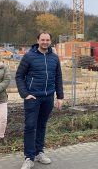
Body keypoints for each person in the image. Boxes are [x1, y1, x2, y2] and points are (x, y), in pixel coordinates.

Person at [15, 32, 64, 169]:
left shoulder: (54, 58)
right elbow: (19, 76)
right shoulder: (29, 56)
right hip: (33, 97)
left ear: (50, 41)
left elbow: (58, 78)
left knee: (42, 125)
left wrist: (60, 97)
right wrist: (25, 94)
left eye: (47, 40)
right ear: (38, 40)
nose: (45, 42)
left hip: (48, 97)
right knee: (30, 127)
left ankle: (39, 152)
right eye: (42, 39)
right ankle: (29, 157)